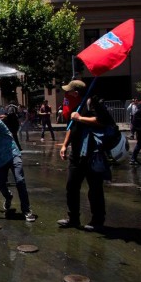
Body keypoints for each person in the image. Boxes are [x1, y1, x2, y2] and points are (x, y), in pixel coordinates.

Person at [58, 80, 113, 231]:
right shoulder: (77, 106)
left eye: (69, 91)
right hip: (76, 154)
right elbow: (72, 127)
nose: (67, 94)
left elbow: (103, 121)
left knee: (95, 188)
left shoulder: (93, 103)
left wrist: (80, 118)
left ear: (76, 92)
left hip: (92, 153)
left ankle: (97, 220)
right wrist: (64, 145)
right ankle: (73, 218)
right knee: (71, 186)